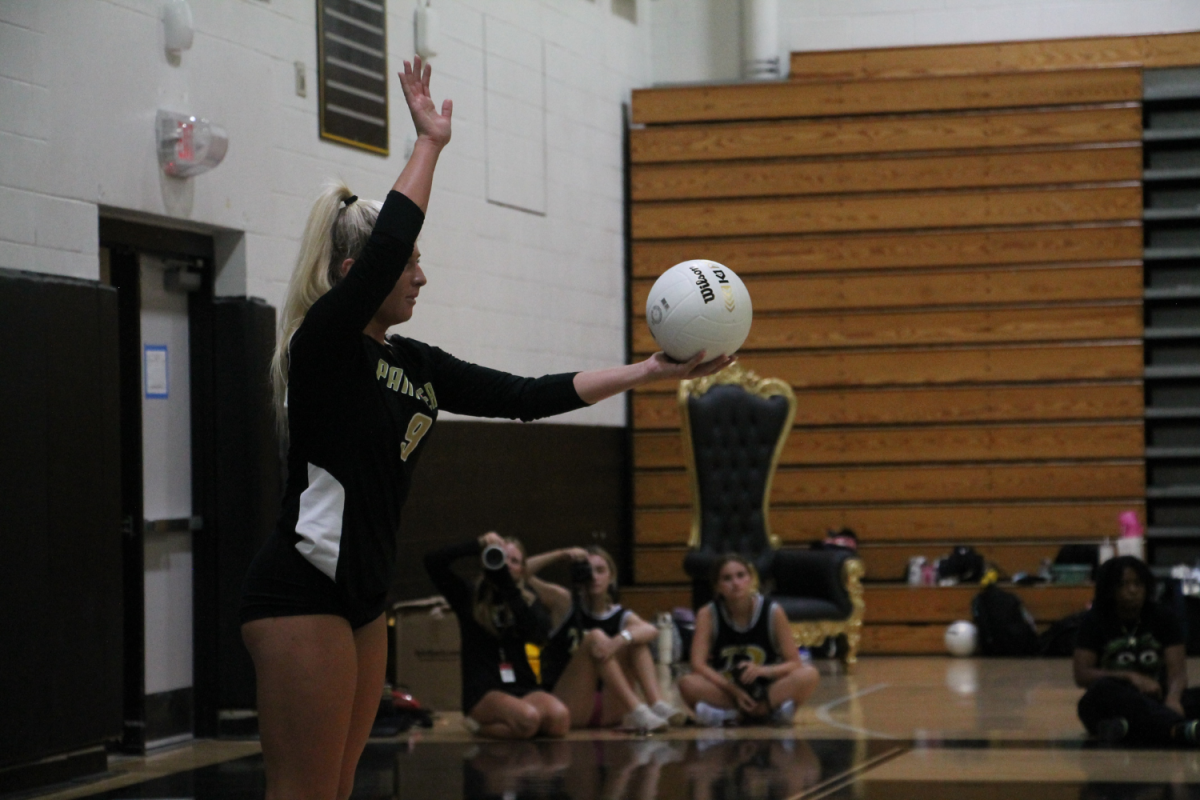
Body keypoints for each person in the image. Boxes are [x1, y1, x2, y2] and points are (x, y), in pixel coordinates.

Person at [238, 57, 732, 800]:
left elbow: (526, 395)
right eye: (409, 267)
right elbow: (392, 236)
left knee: (337, 790)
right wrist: (430, 144)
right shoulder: (323, 346)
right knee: (303, 791)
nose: (421, 278)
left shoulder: (414, 364)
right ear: (355, 273)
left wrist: (645, 373)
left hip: (364, 596)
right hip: (302, 591)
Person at [525, 546, 686, 731]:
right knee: (596, 637)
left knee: (635, 638)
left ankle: (656, 704)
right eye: (588, 570)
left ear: (612, 576)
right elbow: (521, 574)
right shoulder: (565, 603)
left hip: (610, 708)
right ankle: (638, 710)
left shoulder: (620, 615)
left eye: (600, 570)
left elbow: (651, 630)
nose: (594, 577)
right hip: (571, 705)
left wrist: (618, 640)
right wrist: (560, 554)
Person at [425, 532, 566, 738]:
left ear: (523, 570)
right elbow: (432, 562)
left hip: (522, 686)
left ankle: (515, 724)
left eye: (514, 561)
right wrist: (476, 544)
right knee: (529, 720)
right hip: (483, 690)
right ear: (486, 560)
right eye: (500, 557)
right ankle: (480, 725)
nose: (506, 565)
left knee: (560, 720)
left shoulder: (525, 600)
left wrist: (509, 588)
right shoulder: (469, 595)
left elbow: (539, 635)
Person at [678, 554, 819, 727]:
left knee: (809, 674)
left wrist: (763, 671)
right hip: (727, 688)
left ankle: (741, 713)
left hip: (767, 688)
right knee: (687, 683)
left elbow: (794, 662)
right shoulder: (707, 614)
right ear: (717, 587)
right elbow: (697, 664)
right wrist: (733, 690)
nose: (736, 583)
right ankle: (768, 712)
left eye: (741, 575)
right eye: (727, 578)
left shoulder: (773, 611)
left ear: (751, 579)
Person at [1074, 555, 1200, 746]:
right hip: (1114, 700)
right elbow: (1082, 674)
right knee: (1100, 692)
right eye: (1124, 584)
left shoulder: (1164, 616)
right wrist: (1130, 676)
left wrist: (1173, 699)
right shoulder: (1094, 620)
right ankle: (1177, 729)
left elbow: (1178, 673)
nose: (1133, 590)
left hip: (1159, 698)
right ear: (1110, 589)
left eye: (1138, 584)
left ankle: (1128, 729)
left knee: (1191, 697)